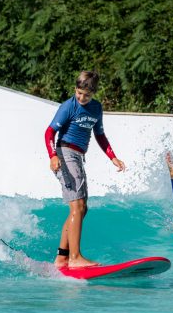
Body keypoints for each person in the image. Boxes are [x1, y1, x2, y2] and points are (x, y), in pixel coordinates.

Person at [44, 70, 126, 268]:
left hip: (78, 157)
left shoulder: (96, 108)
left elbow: (100, 135)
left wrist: (112, 156)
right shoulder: (68, 106)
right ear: (75, 89)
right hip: (65, 153)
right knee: (77, 207)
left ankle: (62, 257)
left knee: (82, 208)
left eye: (86, 95)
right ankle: (74, 258)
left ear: (94, 93)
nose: (81, 98)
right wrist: (52, 155)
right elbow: (49, 132)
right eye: (79, 93)